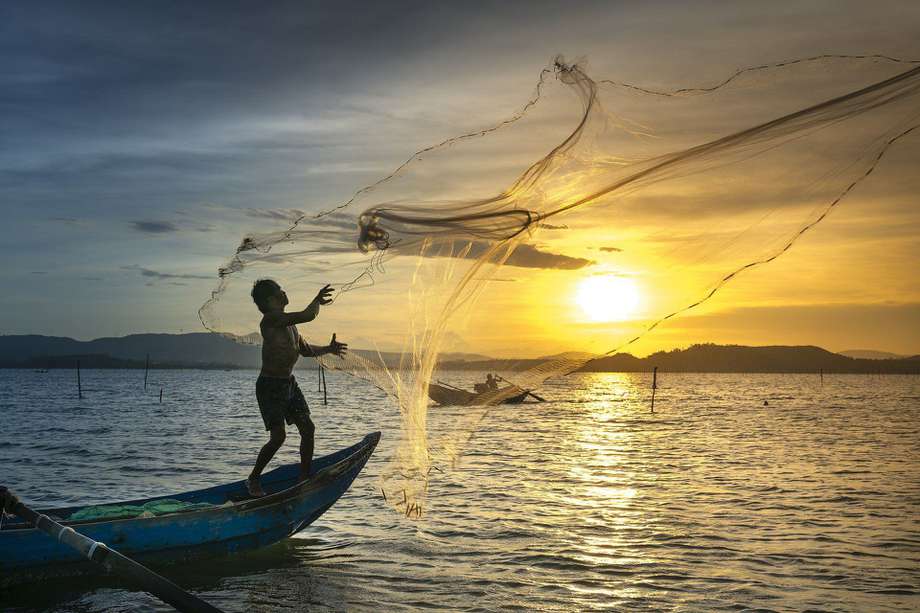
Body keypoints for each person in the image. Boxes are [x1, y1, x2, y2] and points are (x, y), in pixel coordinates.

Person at [246, 279, 347, 497]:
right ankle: (253, 479)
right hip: (270, 386)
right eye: (280, 291)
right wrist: (317, 300)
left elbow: (306, 350)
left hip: (288, 383)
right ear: (271, 300)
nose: (284, 293)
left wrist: (328, 349)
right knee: (278, 437)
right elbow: (308, 315)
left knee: (308, 429)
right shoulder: (271, 320)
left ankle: (304, 477)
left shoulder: (290, 325)